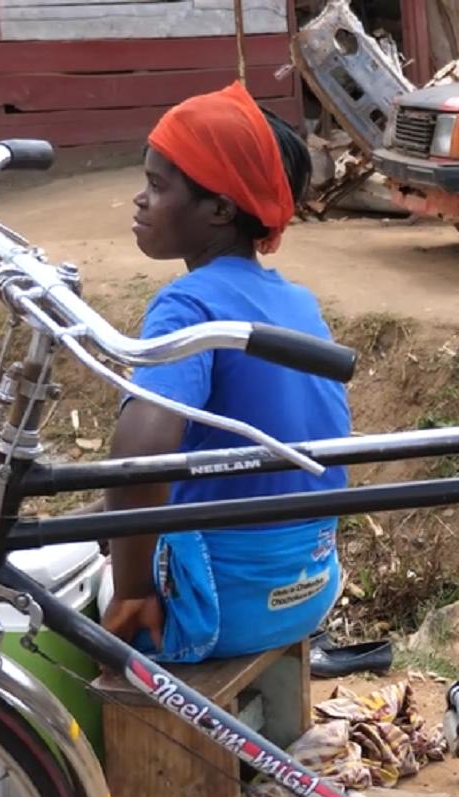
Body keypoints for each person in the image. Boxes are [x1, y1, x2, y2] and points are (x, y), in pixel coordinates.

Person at [99, 83, 351, 664]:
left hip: (218, 608)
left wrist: (134, 590)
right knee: (101, 528)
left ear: (219, 210)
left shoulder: (188, 305)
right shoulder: (298, 302)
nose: (139, 201)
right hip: (307, 588)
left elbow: (141, 457)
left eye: (157, 186)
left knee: (50, 612)